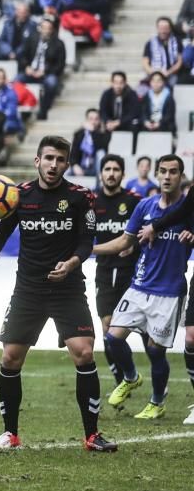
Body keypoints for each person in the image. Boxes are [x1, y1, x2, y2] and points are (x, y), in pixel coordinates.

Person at [0, 136, 116, 452]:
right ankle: (10, 434)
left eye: (60, 160)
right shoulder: (18, 196)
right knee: (10, 358)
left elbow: (86, 241)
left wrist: (72, 263)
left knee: (84, 352)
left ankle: (92, 436)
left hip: (68, 289)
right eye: (48, 158)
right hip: (28, 291)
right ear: (37, 160)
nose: (54, 165)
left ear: (67, 163)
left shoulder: (80, 197)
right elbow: (0, 235)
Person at [93, 155, 191, 420]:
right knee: (113, 337)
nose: (168, 176)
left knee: (156, 351)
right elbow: (123, 243)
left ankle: (157, 402)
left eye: (173, 172)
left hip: (169, 292)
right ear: (157, 175)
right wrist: (86, 250)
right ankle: (131, 377)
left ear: (181, 176)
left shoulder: (188, 211)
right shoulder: (145, 206)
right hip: (139, 286)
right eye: (163, 171)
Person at [89, 155, 142, 386]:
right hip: (103, 271)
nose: (111, 173)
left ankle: (134, 375)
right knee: (106, 327)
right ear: (101, 173)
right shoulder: (91, 202)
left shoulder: (133, 201)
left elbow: (147, 233)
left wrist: (134, 246)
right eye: (107, 169)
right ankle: (122, 379)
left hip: (132, 273)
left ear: (122, 174)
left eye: (116, 169)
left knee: (140, 330)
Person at [16, 17, 65, 120]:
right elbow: (22, 56)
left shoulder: (58, 44)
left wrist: (45, 71)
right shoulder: (31, 39)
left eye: (49, 28)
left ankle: (44, 108)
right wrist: (26, 67)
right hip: (30, 72)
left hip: (46, 74)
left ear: (52, 30)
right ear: (39, 28)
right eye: (44, 28)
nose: (46, 31)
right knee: (16, 81)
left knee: (51, 83)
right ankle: (21, 108)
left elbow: (60, 65)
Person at [142, 17, 183, 85]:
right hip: (154, 74)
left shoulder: (177, 42)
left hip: (172, 74)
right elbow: (145, 62)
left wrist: (169, 72)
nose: (163, 31)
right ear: (157, 29)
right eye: (161, 28)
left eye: (165, 28)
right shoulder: (150, 43)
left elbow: (179, 61)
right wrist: (155, 73)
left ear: (170, 29)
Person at [70, 108, 109, 177]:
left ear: (99, 121)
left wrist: (92, 131)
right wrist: (75, 165)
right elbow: (73, 153)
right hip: (80, 167)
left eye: (96, 119)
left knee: (101, 153)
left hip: (95, 168)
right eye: (91, 119)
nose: (93, 122)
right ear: (86, 120)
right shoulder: (79, 134)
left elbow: (100, 148)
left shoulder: (104, 134)